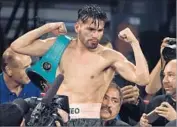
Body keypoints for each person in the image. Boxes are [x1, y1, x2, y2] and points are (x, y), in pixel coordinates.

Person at [10, 4, 149, 125]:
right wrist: (48, 27)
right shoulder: (60, 45)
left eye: (99, 30)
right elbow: (17, 46)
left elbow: (142, 79)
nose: (96, 35)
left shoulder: (108, 56)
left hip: (89, 120)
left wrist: (134, 42)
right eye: (91, 29)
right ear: (77, 27)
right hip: (57, 117)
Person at [139, 59, 177, 127]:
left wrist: (175, 120)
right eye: (164, 75)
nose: (164, 81)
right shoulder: (157, 102)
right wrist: (141, 124)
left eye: (170, 75)